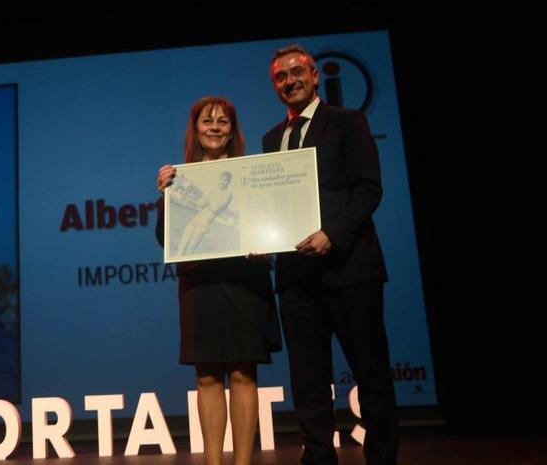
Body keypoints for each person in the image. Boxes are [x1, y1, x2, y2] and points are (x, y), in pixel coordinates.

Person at [261, 44, 398, 465]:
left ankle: (381, 458)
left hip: (350, 270)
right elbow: (270, 205)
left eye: (296, 71)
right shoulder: (272, 139)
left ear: (315, 75)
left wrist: (331, 236)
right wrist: (258, 239)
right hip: (297, 279)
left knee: (370, 374)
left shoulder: (347, 122)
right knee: (308, 381)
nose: (290, 81)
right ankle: (318, 458)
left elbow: (368, 190)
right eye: (281, 77)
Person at [156, 97, 281, 465]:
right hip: (201, 286)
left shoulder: (250, 174)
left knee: (244, 373)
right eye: (207, 121)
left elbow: (269, 224)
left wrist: (265, 242)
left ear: (232, 130)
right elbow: (167, 238)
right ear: (195, 129)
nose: (214, 127)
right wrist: (165, 195)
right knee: (207, 376)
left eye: (222, 121)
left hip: (246, 283)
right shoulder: (179, 177)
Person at [176, 171, 234, 255]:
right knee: (182, 245)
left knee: (190, 249)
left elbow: (215, 209)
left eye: (225, 180)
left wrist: (209, 199)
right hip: (196, 219)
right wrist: (206, 199)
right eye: (221, 179)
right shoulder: (213, 190)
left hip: (204, 224)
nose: (222, 182)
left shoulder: (228, 194)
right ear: (219, 179)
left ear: (229, 182)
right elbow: (200, 203)